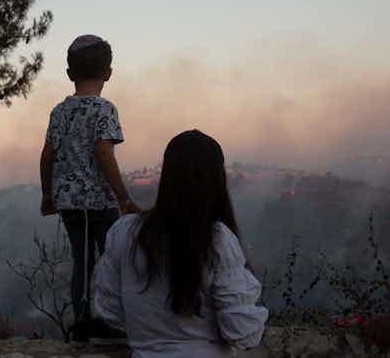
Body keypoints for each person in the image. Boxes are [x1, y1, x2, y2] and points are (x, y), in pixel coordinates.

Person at [92, 130, 268, 357]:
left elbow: (110, 313)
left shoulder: (124, 232)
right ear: (216, 179)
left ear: (167, 175)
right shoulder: (217, 239)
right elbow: (243, 333)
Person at [39, 34, 140, 344]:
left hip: (68, 202)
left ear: (70, 74)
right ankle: (109, 322)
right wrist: (123, 196)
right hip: (98, 200)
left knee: (83, 260)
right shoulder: (105, 109)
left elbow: (47, 155)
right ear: (108, 72)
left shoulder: (59, 111)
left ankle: (84, 322)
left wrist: (47, 195)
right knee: (114, 257)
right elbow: (104, 152)